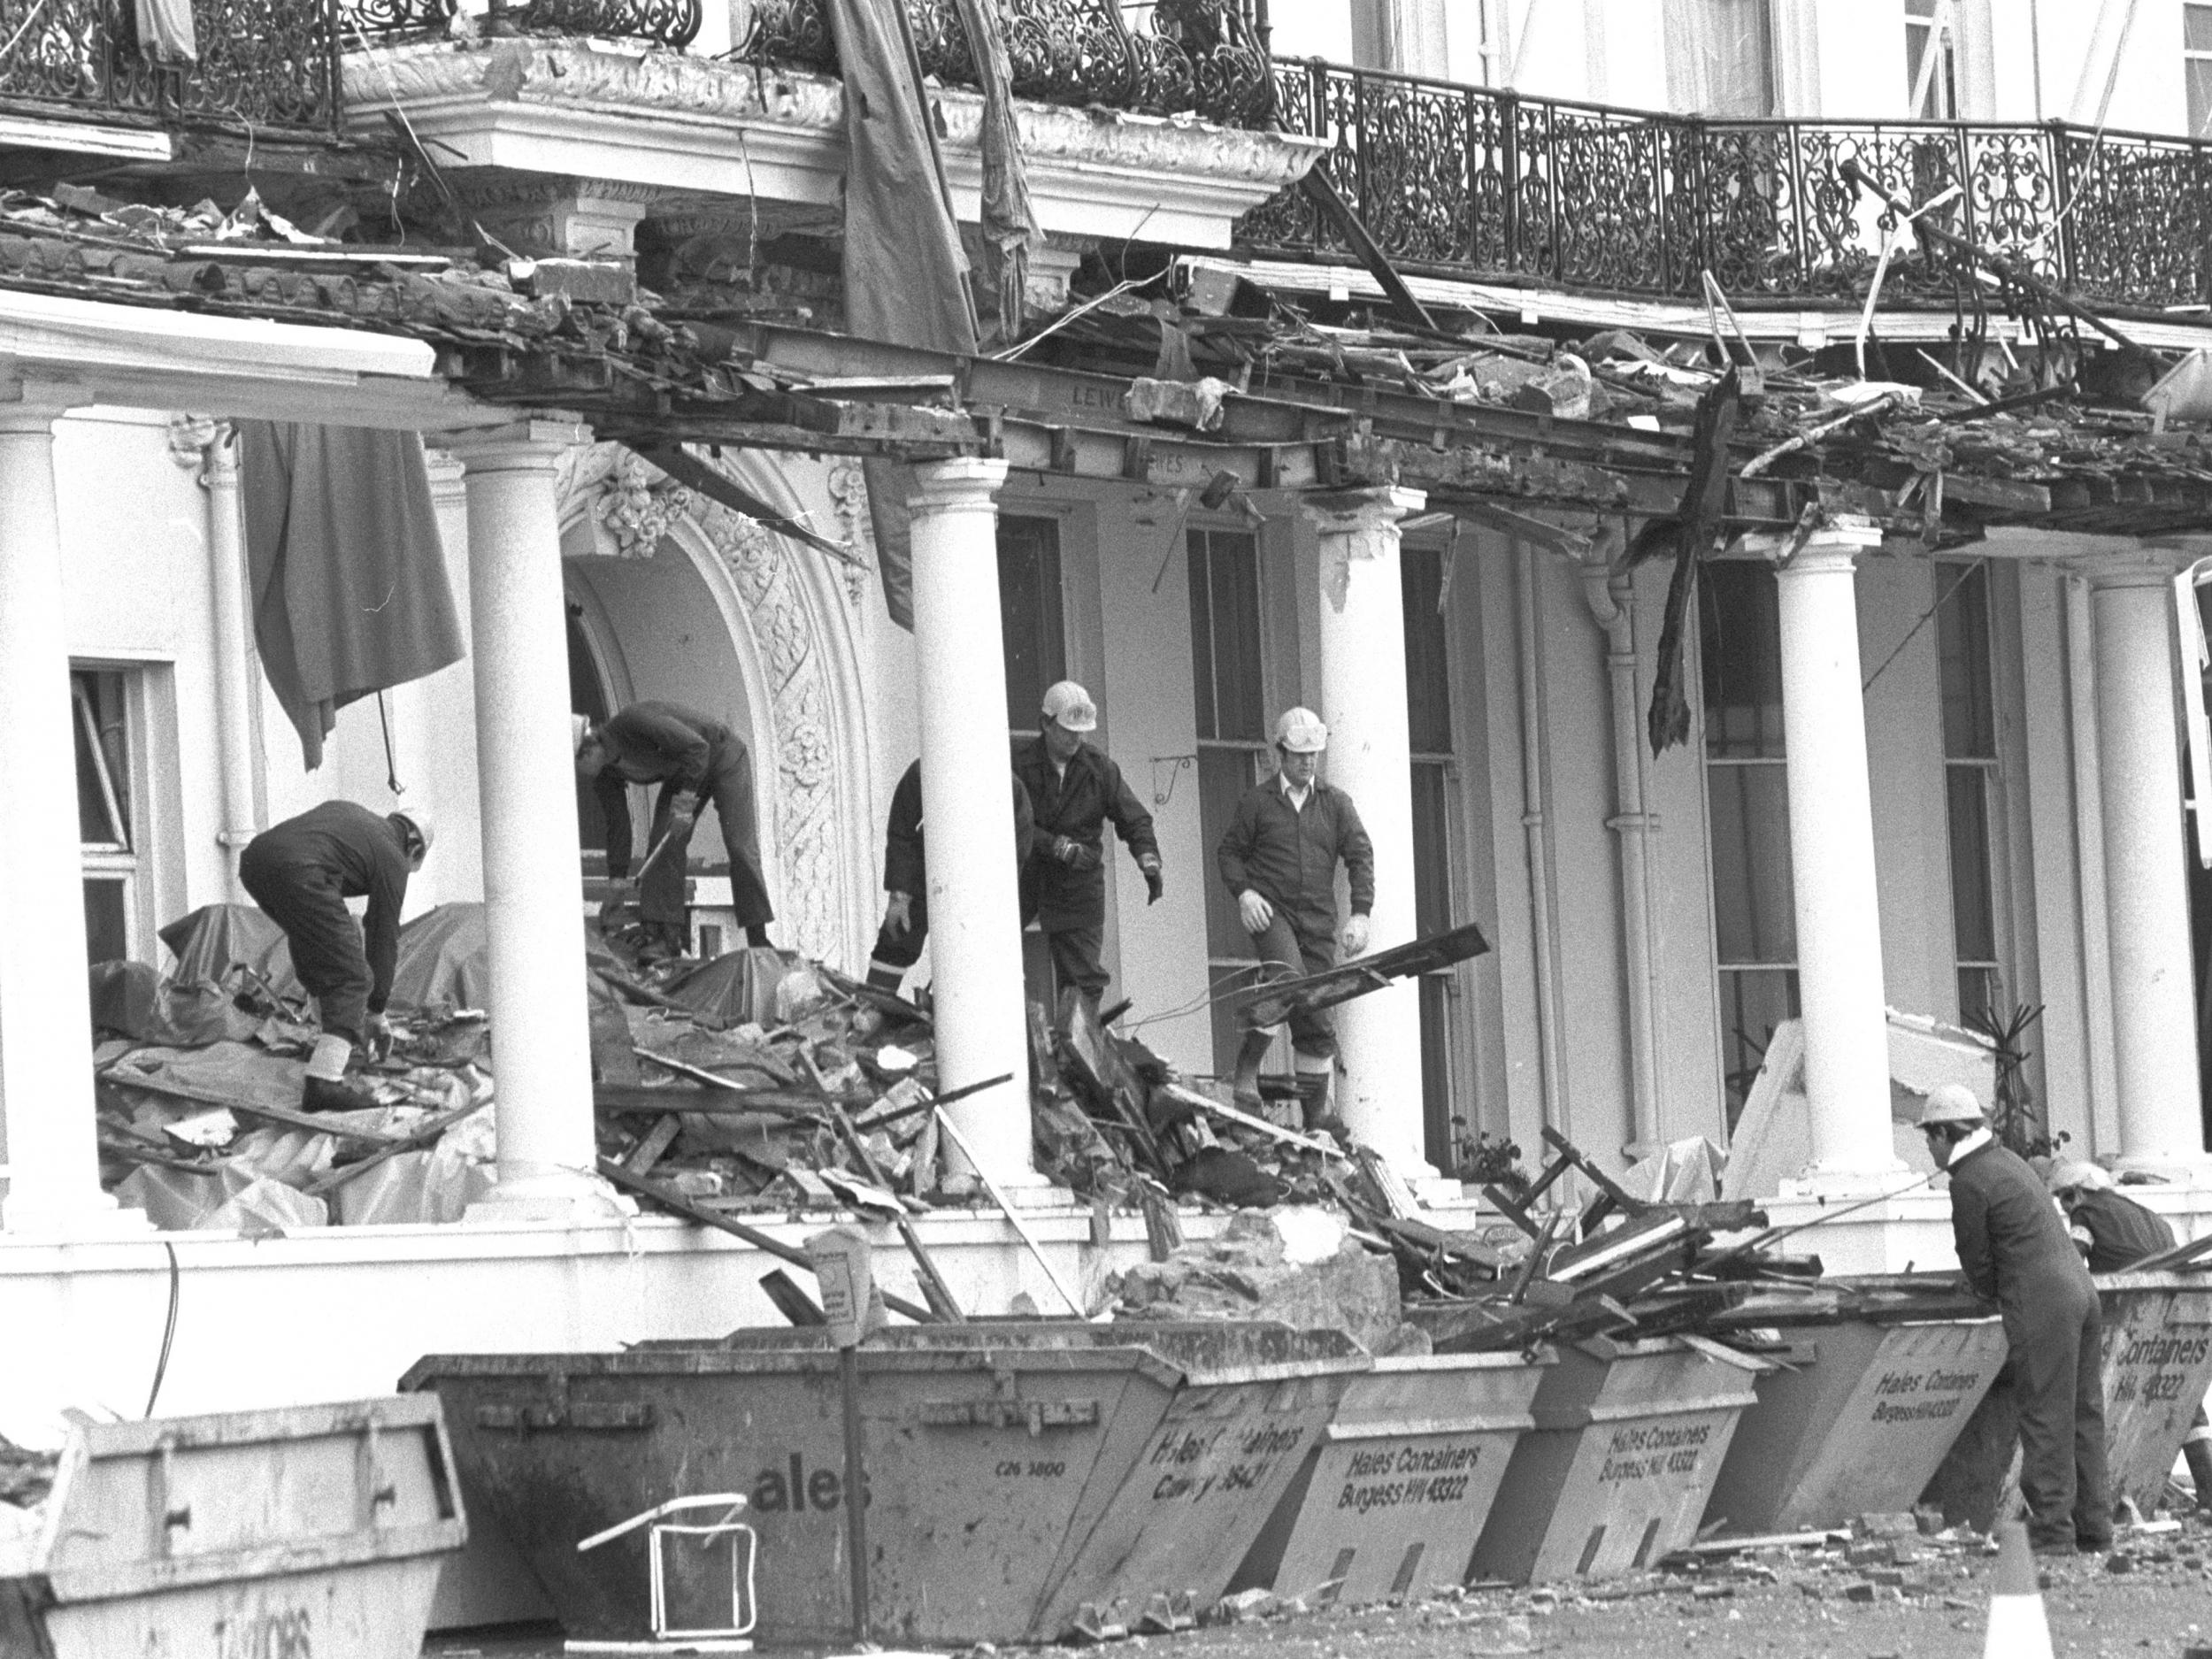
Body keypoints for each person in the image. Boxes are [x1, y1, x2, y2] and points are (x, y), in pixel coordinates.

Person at [1923, 1084, 2112, 1555]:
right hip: (2081, 1293)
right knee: (2082, 1413)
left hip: (2042, 1300)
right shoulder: (2009, 1162)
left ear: (1948, 1133)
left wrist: (1986, 1291)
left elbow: (1977, 1261)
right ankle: (2094, 1528)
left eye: (1930, 1136)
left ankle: (2050, 1530)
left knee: (2045, 1415)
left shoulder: (1969, 1181)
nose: (1928, 1147)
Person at [1215, 706, 1373, 1135]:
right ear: (1279, 754)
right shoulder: (1258, 802)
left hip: (1319, 921)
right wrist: (1245, 894)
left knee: (1316, 1014)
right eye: (1299, 755)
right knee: (1291, 980)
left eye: (1314, 755)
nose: (1307, 763)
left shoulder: (1336, 803)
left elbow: (1360, 855)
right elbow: (1229, 853)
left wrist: (1360, 913)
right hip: (1274, 914)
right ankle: (1245, 1073)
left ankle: (1314, 1121)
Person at [239, 800, 432, 1112]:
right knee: (355, 978)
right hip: (301, 869)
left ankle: (327, 1040)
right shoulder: (393, 856)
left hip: (255, 862)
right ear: (415, 850)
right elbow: (383, 935)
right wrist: (377, 1011)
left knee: (314, 941)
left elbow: (316, 938)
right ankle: (324, 1082)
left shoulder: (354, 818)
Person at [2047, 1159, 2212, 1511]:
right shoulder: (2149, 1215)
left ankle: (2100, 1497)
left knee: (2103, 1400)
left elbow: (2073, 1260)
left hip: (2126, 1314)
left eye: (2064, 1197)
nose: (2063, 1205)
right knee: (2181, 1398)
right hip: (2176, 1310)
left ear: (2080, 1191)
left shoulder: (2086, 1213)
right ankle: (2209, 1490)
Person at [574, 703, 772, 960]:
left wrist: (685, 804)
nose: (578, 775)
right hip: (685, 771)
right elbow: (619, 825)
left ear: (588, 750)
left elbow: (698, 748)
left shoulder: (635, 722)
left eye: (576, 765)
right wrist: (616, 886)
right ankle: (666, 941)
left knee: (739, 845)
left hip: (721, 754)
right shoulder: (605, 773)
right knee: (663, 842)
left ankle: (759, 940)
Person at [1010, 680, 1163, 1007]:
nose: (1076, 739)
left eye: (1081, 732)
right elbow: (1008, 821)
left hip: (1078, 883)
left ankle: (1077, 1049)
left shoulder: (1100, 768)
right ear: (1045, 725)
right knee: (990, 955)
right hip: (1024, 874)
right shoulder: (1018, 765)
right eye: (1067, 730)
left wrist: (1148, 859)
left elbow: (1133, 818)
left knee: (1082, 981)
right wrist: (1053, 845)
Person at [865, 759, 1037, 995]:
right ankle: (872, 1007)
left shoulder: (1010, 788)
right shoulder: (926, 769)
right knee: (897, 937)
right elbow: (902, 831)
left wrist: (994, 910)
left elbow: (1017, 855)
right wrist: (899, 895)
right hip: (926, 872)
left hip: (980, 883)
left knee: (974, 962)